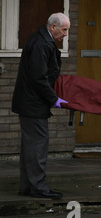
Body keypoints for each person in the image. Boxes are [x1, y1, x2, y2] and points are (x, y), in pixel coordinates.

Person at [12, 13, 70, 199]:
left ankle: (28, 186)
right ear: (53, 27)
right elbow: (39, 78)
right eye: (64, 29)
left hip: (30, 102)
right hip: (33, 104)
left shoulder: (41, 41)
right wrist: (53, 98)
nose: (66, 34)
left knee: (31, 146)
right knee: (38, 146)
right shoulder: (42, 44)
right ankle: (38, 187)